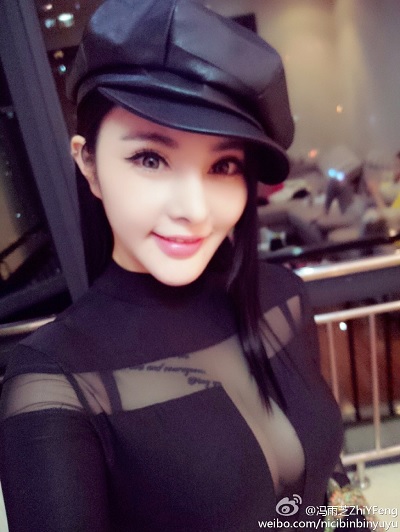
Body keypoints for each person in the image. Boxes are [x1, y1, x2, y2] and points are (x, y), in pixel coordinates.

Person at [0, 1, 348, 530]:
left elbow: (322, 482)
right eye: (151, 158)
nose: (194, 209)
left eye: (223, 165)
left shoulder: (282, 300)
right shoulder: (55, 383)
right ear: (89, 164)